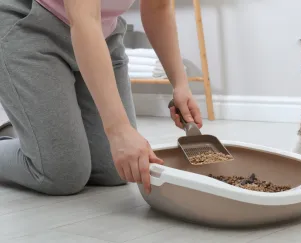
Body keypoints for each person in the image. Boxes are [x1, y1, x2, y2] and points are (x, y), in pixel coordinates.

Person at [0, 0, 202, 196]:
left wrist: (180, 85)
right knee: (62, 174)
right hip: (29, 27)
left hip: (103, 35)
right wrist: (119, 130)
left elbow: (158, 6)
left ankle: (37, 132)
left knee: (116, 170)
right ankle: (37, 134)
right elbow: (83, 19)